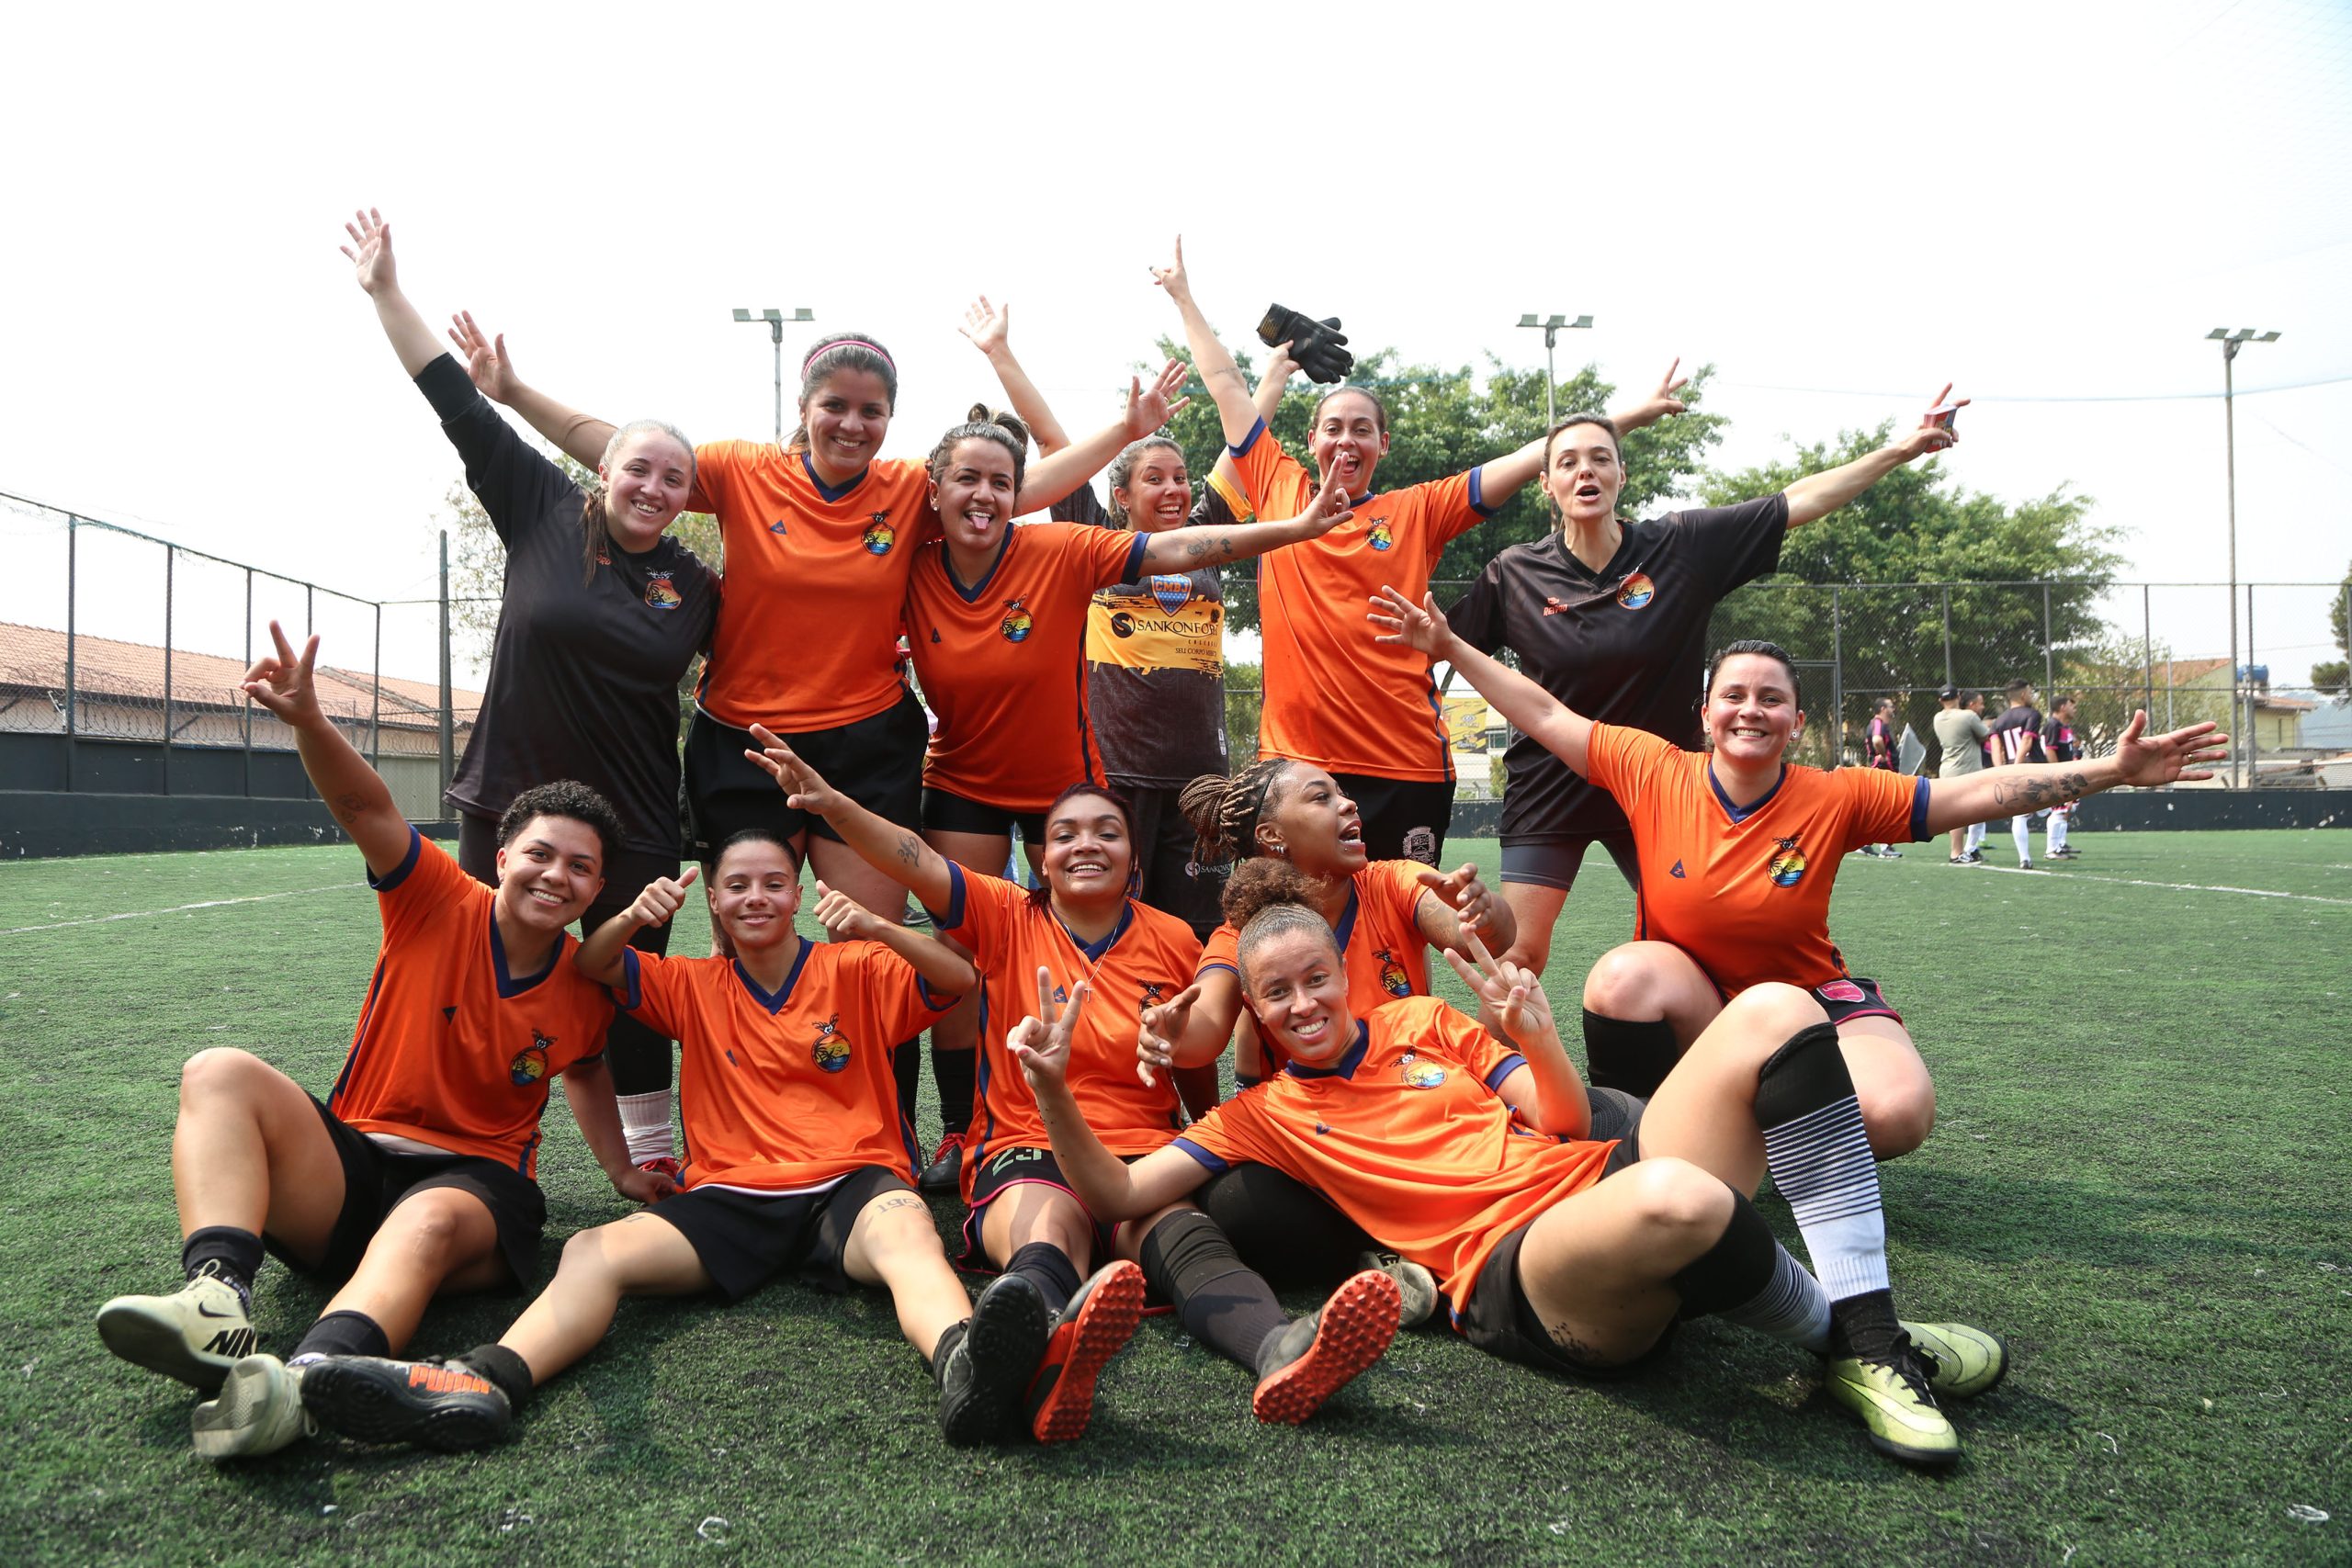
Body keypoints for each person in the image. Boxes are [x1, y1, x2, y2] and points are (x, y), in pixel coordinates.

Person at [451, 301, 1180, 1160]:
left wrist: (1123, 430)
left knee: (871, 951)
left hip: (864, 745)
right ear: (805, 406)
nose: (852, 422)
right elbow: (615, 448)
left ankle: (897, 1134)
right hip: (740, 742)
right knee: (749, 945)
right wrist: (512, 391)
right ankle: (741, 1135)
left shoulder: (910, 486)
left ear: (889, 422)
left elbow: (1030, 485)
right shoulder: (740, 469)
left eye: (872, 411)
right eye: (836, 404)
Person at [1008, 857, 2012, 1467]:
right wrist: (1054, 1087)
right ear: (1255, 1015)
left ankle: (1868, 1340)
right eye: (1277, 996)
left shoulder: (1419, 1018)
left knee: (1780, 1012)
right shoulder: (1261, 1115)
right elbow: (1120, 1193)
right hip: (1518, 1275)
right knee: (1677, 1198)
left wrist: (1534, 1034)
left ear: (1340, 974)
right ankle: (1848, 1336)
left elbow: (1569, 1120)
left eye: (1316, 978)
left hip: (1590, 1176)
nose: (1303, 1004)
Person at [1373, 593, 2226, 1162]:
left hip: (1809, 1002)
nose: (1751, 709)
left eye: (1771, 698)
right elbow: (1546, 712)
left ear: (1796, 720)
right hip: (1699, 1006)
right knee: (1624, 974)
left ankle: (1732, 1135)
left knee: (1895, 1112)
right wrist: (1450, 645)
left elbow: (1979, 790)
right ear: (1704, 714)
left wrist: (2108, 772)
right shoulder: (1649, 766)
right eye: (1734, 695)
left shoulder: (1840, 795)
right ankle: (1641, 1145)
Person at [292, 833, 1061, 1450]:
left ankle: (965, 1362)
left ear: (798, 893)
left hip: (850, 1188)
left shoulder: (857, 965)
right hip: (727, 1196)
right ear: (716, 905)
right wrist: (632, 915)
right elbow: (594, 963)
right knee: (594, 1251)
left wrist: (879, 924)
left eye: (772, 882)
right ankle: (487, 1378)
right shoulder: (689, 983)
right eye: (736, 885)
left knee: (908, 1236)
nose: (755, 896)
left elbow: (958, 978)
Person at [96, 625, 662, 1460]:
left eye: (581, 868)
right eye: (541, 853)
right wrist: (310, 722)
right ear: (502, 856)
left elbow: (583, 1066)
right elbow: (365, 806)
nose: (557, 875)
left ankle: (303, 1380)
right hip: (354, 1168)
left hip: (477, 1189)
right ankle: (216, 1297)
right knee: (218, 1070)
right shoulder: (434, 897)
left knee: (427, 1218)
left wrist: (619, 1168)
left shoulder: (586, 980)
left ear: (594, 889)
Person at [746, 733, 1402, 1435]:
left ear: (1134, 856)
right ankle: (1016, 1358)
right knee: (1052, 1228)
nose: (1085, 844)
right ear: (1042, 858)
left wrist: (1211, 1129)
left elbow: (1196, 1059)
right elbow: (916, 859)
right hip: (1027, 1147)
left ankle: (1279, 1348)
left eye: (1107, 831)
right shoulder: (1002, 915)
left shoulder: (1177, 937)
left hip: (1140, 1155)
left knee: (1187, 1237)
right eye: (1064, 834)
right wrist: (835, 807)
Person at [338, 209, 718, 1179]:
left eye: (675, 479)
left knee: (628, 988)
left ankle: (648, 1157)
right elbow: (456, 400)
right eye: (639, 467)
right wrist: (388, 293)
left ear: (687, 497)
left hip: (634, 818)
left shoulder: (699, 585)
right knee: (460, 973)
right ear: (605, 469)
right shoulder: (542, 507)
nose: (655, 487)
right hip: (507, 800)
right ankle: (431, 1135)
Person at [899, 403, 1357, 1183]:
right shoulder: (913, 558)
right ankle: (957, 1129)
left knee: (1144, 940)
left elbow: (1185, 539)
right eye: (967, 479)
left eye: (1001, 483)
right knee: (965, 952)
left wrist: (1294, 526)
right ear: (934, 488)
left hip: (1068, 784)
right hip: (966, 778)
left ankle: (1178, 1113)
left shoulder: (1063, 547)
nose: (985, 496)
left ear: (1019, 493)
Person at [1152, 236, 1690, 865]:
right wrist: (1184, 297)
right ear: (1311, 439)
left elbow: (1530, 459)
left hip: (1404, 766)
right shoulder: (1277, 486)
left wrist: (1624, 418)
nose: (1346, 440)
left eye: (1361, 429)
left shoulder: (1417, 510)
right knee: (1293, 931)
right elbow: (1224, 383)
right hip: (1296, 769)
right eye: (1333, 428)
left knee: (1401, 936)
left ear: (1382, 442)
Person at [1446, 391, 1966, 981]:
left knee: (1699, 943)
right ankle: (1498, 1074)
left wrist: (1898, 451)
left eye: (1600, 458)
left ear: (1622, 472)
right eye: (1567, 461)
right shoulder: (1513, 572)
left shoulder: (1679, 547)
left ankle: (1723, 1064)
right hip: (1549, 788)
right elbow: (1441, 648)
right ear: (1546, 483)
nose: (1585, 470)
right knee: (1517, 957)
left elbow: (1793, 503)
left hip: (1663, 789)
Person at [1121, 760, 1522, 1318]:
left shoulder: (1391, 880)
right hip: (1336, 1146)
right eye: (1321, 798)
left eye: (1342, 794)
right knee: (1235, 1209)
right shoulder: (1240, 935)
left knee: (1568, 1114)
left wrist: (1484, 910)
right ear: (1271, 837)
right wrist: (1168, 1035)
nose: (1348, 804)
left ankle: (1401, 1248)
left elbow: (1480, 936)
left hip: (1425, 1110)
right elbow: (1205, 1030)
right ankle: (1399, 1251)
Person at [1986, 679, 2048, 869]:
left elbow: (1996, 747)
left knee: (2019, 815)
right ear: (2023, 694)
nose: (2032, 695)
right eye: (2030, 692)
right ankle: (2040, 852)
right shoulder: (2032, 714)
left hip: (2012, 770)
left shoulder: (1998, 721)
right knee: (2051, 807)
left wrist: (2001, 771)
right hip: (2033, 768)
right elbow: (2027, 741)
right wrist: (2018, 767)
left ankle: (2025, 858)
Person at [1932, 688, 1992, 864]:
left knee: (1969, 812)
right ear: (1958, 697)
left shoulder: (1937, 717)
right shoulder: (1968, 716)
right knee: (1962, 813)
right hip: (1966, 770)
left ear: (1940, 700)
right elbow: (1985, 735)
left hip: (1948, 768)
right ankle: (1957, 853)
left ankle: (1968, 850)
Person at [1854, 698, 1905, 860]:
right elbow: (1877, 739)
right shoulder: (1878, 723)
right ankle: (1885, 847)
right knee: (1887, 807)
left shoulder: (1881, 724)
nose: (1893, 708)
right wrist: (1883, 755)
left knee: (1878, 808)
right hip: (1884, 769)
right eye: (1890, 706)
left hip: (1884, 770)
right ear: (1883, 708)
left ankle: (1864, 843)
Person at [2040, 695, 2085, 859]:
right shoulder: (2053, 726)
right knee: (2058, 811)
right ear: (2062, 707)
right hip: (2057, 775)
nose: (2075, 709)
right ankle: (2052, 849)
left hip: (2066, 774)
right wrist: (2058, 773)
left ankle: (2057, 846)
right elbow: (2050, 750)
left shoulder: (2065, 727)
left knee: (2065, 809)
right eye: (2071, 706)